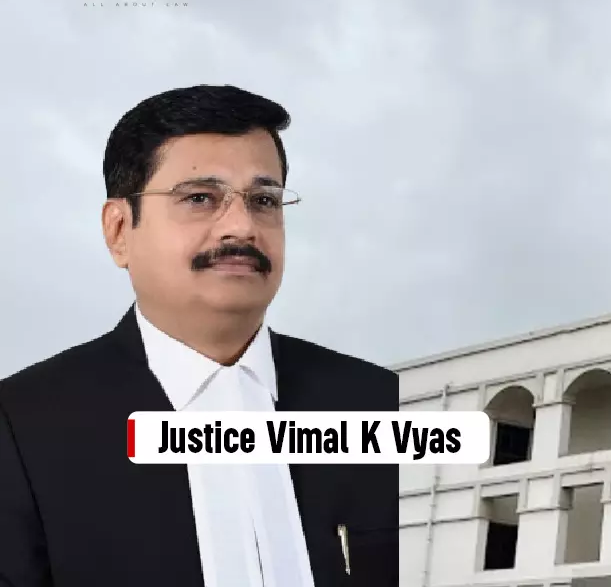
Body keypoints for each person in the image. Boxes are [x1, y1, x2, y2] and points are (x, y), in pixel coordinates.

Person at [0, 86, 397, 587]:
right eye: (200, 198)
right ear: (119, 230)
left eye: (264, 200)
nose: (242, 227)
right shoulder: (22, 427)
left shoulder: (377, 404)